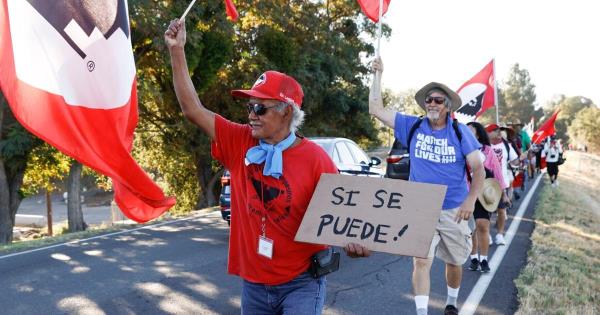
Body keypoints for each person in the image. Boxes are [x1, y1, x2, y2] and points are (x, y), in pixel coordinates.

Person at [165, 19, 368, 314]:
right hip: (254, 285)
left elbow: (343, 215)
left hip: (301, 283)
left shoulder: (315, 159)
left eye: (260, 107)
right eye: (249, 107)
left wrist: (355, 238)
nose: (252, 115)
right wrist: (177, 50)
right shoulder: (240, 141)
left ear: (287, 112)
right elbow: (192, 109)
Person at [368, 57, 485, 315]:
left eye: (438, 100)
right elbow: (375, 108)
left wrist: (470, 201)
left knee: (455, 262)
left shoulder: (459, 132)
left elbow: (478, 169)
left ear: (447, 106)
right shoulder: (412, 125)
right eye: (429, 100)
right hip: (419, 206)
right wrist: (377, 75)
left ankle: (451, 302)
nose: (432, 103)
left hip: (454, 209)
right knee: (421, 261)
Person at [466, 122, 508, 273]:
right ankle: (473, 258)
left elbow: (497, 172)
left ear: (478, 134)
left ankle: (484, 259)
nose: (468, 133)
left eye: (471, 131)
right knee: (470, 229)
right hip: (466, 193)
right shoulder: (461, 150)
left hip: (485, 193)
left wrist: (503, 193)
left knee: (483, 225)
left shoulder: (488, 151)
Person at [486, 124, 520, 246]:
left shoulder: (507, 145)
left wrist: (521, 158)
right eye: (495, 131)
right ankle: (487, 235)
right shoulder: (483, 145)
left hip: (502, 183)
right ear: (488, 133)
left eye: (499, 130)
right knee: (487, 212)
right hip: (488, 183)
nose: (498, 132)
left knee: (501, 211)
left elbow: (514, 161)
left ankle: (500, 235)